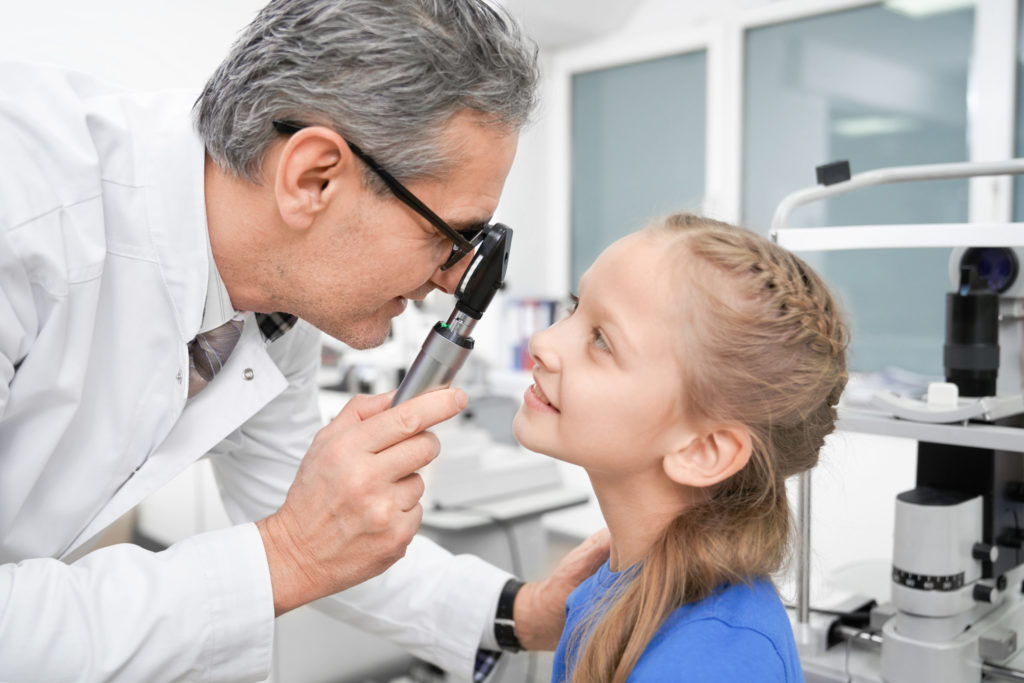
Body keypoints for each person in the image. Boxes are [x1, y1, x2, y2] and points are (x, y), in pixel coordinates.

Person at [0, 1, 609, 681]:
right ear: (313, 177)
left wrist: (519, 613)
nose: (449, 282)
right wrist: (286, 555)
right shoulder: (23, 208)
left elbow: (321, 522)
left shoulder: (270, 304)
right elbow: (298, 538)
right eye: (451, 237)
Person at [512, 213, 849, 682]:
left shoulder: (714, 661)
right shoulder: (607, 589)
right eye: (575, 307)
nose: (542, 341)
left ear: (704, 450)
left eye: (602, 341)